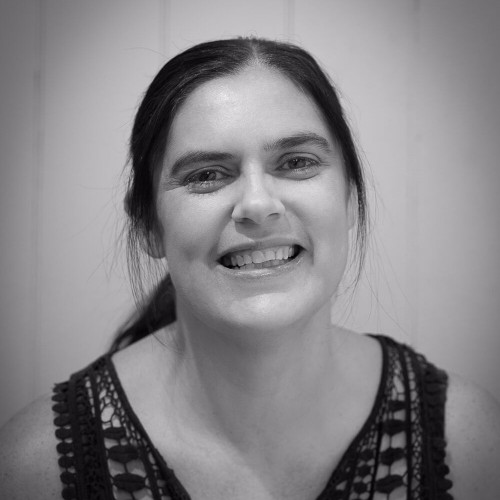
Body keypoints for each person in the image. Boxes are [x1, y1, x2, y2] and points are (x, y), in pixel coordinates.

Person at [1, 37, 499, 500]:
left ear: (349, 198)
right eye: (207, 174)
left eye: (297, 162)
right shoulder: (34, 467)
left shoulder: (470, 439)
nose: (258, 206)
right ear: (149, 225)